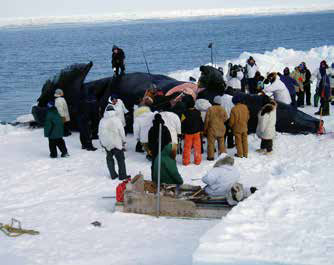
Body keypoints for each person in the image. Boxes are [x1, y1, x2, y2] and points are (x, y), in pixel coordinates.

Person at [98, 105, 129, 180]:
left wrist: (102, 143)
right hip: (116, 142)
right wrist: (124, 140)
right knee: (120, 159)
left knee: (109, 159)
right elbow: (122, 131)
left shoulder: (102, 121)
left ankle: (113, 175)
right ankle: (122, 175)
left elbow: (99, 133)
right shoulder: (117, 120)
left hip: (107, 143)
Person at [181, 99, 204, 165]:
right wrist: (201, 129)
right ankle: (197, 161)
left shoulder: (184, 113)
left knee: (187, 148)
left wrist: (182, 131)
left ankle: (186, 161)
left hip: (188, 133)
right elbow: (200, 121)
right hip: (197, 132)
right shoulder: (197, 112)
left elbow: (182, 123)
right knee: (197, 147)